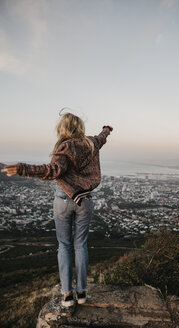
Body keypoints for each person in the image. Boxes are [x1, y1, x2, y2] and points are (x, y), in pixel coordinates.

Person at [1, 111, 113, 307]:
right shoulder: (91, 142)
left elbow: (53, 171)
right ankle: (82, 292)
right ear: (80, 128)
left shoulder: (66, 147)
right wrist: (106, 129)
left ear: (63, 129)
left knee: (64, 245)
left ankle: (67, 295)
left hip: (63, 200)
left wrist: (23, 168)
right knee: (81, 245)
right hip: (86, 201)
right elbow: (102, 138)